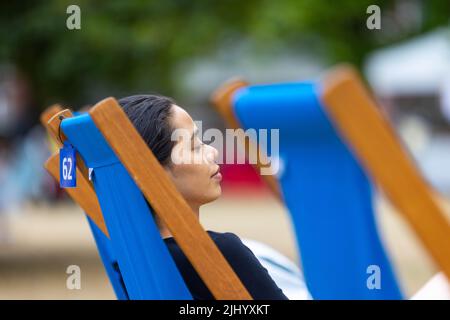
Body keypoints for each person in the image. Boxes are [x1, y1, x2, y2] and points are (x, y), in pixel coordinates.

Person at [119, 94, 289, 300]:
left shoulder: (132, 258)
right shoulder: (219, 253)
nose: (213, 152)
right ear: (151, 172)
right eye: (195, 147)